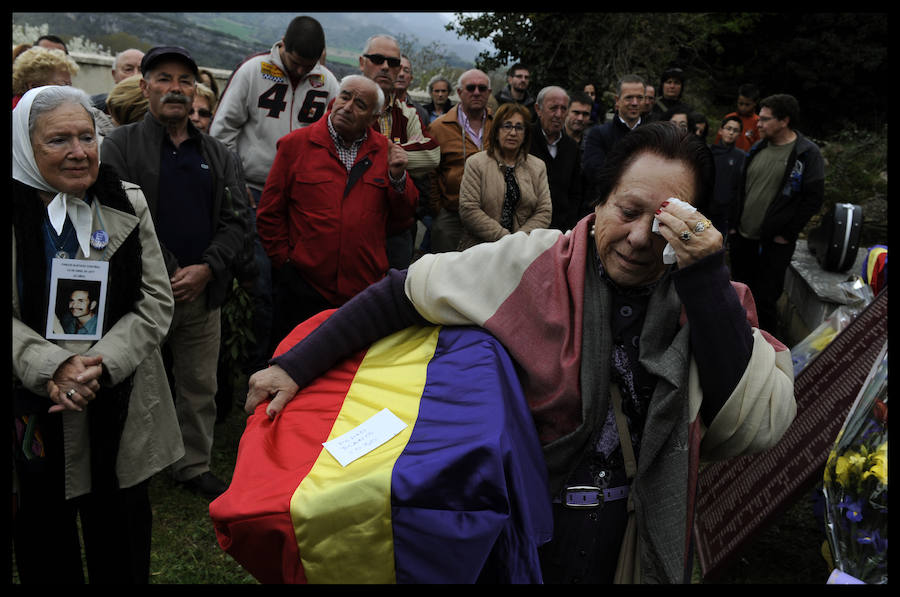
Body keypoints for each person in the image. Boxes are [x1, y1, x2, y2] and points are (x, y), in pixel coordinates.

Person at [245, 121, 796, 584]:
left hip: (633, 531)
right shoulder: (527, 266)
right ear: (598, 202)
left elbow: (752, 415)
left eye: (665, 223)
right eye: (627, 211)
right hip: (527, 528)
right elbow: (402, 292)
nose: (638, 238)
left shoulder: (707, 298)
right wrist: (293, 366)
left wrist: (704, 278)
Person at [12, 85, 183, 583]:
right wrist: (52, 366)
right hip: (32, 404)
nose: (79, 152)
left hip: (118, 395)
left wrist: (97, 363)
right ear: (25, 145)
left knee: (123, 537)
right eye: (58, 140)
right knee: (43, 538)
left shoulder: (124, 201)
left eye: (87, 136)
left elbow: (155, 300)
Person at [101, 46, 250, 500]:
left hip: (201, 295)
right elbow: (116, 215)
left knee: (198, 385)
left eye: (185, 81)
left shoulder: (217, 153)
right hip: (142, 294)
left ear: (195, 91)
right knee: (135, 384)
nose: (175, 88)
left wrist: (206, 267)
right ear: (144, 87)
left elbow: (238, 219)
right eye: (163, 78)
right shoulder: (120, 145)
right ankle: (133, 466)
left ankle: (193, 465)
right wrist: (168, 271)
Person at [210, 15, 339, 375]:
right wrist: (235, 189)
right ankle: (254, 367)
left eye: (308, 64)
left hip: (302, 201)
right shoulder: (254, 71)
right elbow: (222, 132)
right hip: (253, 191)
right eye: (295, 61)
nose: (300, 69)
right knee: (261, 284)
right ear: (283, 44)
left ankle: (287, 362)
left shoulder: (327, 81)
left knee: (296, 286)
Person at [256, 74, 418, 346]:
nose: (347, 106)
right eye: (345, 96)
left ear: (373, 117)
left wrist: (397, 178)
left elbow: (402, 218)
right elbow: (270, 213)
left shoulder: (385, 152)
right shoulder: (296, 145)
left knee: (348, 373)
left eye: (360, 104)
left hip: (362, 289)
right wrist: (285, 262)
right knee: (292, 361)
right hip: (303, 286)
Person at [728, 93, 825, 337]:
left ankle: (766, 352)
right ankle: (736, 342)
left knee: (765, 301)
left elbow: (813, 198)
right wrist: (733, 225)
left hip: (773, 243)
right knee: (739, 294)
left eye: (765, 119)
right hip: (743, 238)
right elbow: (741, 189)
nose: (757, 124)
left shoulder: (806, 154)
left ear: (784, 121)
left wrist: (788, 232)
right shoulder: (758, 148)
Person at [358, 35, 440, 270]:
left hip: (396, 226)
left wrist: (374, 153)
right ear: (362, 63)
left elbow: (432, 156)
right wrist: (392, 153)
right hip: (352, 224)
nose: (385, 67)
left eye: (393, 63)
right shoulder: (343, 103)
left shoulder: (408, 114)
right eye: (377, 59)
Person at [457, 101, 552, 250]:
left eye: (519, 127)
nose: (513, 133)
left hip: (522, 250)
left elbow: (544, 211)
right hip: (480, 249)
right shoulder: (476, 163)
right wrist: (505, 239)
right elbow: (469, 209)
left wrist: (519, 239)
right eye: (507, 126)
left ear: (526, 134)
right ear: (496, 131)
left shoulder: (537, 166)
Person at [426, 69, 494, 252]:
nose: (477, 92)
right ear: (459, 92)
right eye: (471, 87)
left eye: (482, 88)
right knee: (445, 272)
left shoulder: (499, 125)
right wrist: (437, 209)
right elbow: (431, 171)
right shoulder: (439, 127)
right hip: (451, 215)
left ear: (489, 92)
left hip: (491, 215)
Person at [530, 86, 584, 232]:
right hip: (527, 230)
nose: (558, 114)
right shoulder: (524, 140)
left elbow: (575, 193)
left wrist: (569, 228)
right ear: (538, 109)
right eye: (553, 108)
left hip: (561, 230)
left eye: (563, 109)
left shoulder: (572, 147)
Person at [583, 74, 646, 193]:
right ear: (617, 101)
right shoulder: (598, 134)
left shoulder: (654, 135)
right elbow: (594, 173)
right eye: (629, 98)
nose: (634, 103)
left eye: (639, 98)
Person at [708, 115, 747, 233]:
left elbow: (739, 189)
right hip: (706, 208)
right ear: (721, 130)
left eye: (735, 131)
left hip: (725, 213)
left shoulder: (741, 157)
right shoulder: (709, 151)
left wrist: (734, 220)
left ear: (739, 135)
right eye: (728, 128)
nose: (731, 133)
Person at [90, 48, 144, 114]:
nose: (135, 75)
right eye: (128, 69)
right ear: (114, 74)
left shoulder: (155, 109)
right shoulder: (93, 107)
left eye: (141, 70)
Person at [714, 83, 761, 153]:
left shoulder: (758, 122)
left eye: (747, 104)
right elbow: (718, 140)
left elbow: (759, 146)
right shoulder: (729, 117)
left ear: (754, 103)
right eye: (741, 103)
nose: (743, 107)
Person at [395, 54, 429, 125]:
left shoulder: (421, 112)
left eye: (406, 71)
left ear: (411, 78)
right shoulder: (377, 107)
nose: (401, 74)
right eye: (398, 69)